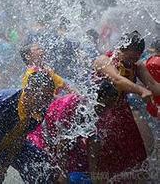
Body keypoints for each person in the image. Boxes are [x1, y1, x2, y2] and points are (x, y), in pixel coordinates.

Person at [91, 31, 160, 177]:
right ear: (121, 49)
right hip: (100, 112)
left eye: (137, 57)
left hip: (122, 111)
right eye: (130, 56)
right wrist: (140, 90)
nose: (132, 61)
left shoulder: (137, 65)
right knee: (104, 159)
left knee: (137, 157)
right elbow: (118, 80)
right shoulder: (104, 60)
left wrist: (145, 89)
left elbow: (153, 86)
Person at [27, 81, 120, 182]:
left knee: (87, 170)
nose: (107, 110)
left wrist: (94, 172)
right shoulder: (72, 105)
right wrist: (63, 173)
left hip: (66, 144)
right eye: (106, 105)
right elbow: (62, 141)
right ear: (97, 98)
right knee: (53, 176)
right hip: (42, 141)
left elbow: (93, 141)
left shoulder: (98, 110)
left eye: (111, 106)